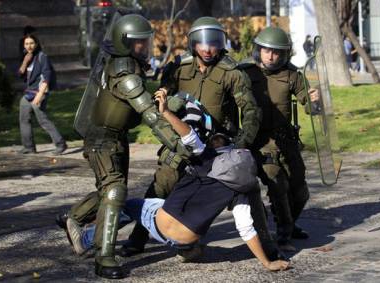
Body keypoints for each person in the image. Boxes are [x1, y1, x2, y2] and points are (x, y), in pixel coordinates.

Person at [65, 91, 290, 272]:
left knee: (126, 206)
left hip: (161, 223)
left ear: (219, 147)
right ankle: (187, 249)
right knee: (191, 232)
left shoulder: (209, 159)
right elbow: (245, 228)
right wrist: (267, 263)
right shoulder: (244, 185)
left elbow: (188, 135)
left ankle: (85, 239)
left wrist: (165, 112)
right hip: (187, 237)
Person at [121, 17, 277, 260]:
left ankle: (266, 243)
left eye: (213, 43)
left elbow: (250, 112)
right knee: (161, 182)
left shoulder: (231, 73)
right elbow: (163, 102)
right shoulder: (178, 68)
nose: (207, 49)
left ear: (221, 43)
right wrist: (171, 133)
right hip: (183, 139)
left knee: (249, 187)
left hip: (218, 147)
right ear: (192, 43)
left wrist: (239, 146)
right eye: (202, 43)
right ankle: (138, 238)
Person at [60, 14, 192, 279]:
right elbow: (149, 115)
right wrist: (181, 144)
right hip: (102, 139)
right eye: (139, 43)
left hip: (116, 137)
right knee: (115, 191)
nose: (145, 46)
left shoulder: (130, 65)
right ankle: (104, 257)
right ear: (125, 43)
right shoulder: (123, 71)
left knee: (111, 189)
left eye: (146, 41)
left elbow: (146, 105)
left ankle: (73, 216)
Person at [239, 27, 319, 251]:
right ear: (259, 50)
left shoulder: (292, 74)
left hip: (287, 141)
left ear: (284, 53)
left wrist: (315, 100)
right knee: (278, 185)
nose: (271, 56)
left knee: (300, 190)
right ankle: (283, 233)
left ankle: (290, 225)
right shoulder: (245, 73)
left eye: (276, 52)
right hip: (260, 143)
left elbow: (310, 105)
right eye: (266, 51)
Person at [18, 34, 67, 155]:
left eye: (31, 43)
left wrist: (40, 95)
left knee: (43, 120)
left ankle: (61, 144)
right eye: (26, 44)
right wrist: (24, 62)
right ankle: (29, 147)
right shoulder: (27, 58)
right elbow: (21, 75)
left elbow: (46, 77)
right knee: (24, 119)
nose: (29, 46)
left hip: (39, 92)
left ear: (36, 44)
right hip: (29, 93)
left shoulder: (42, 57)